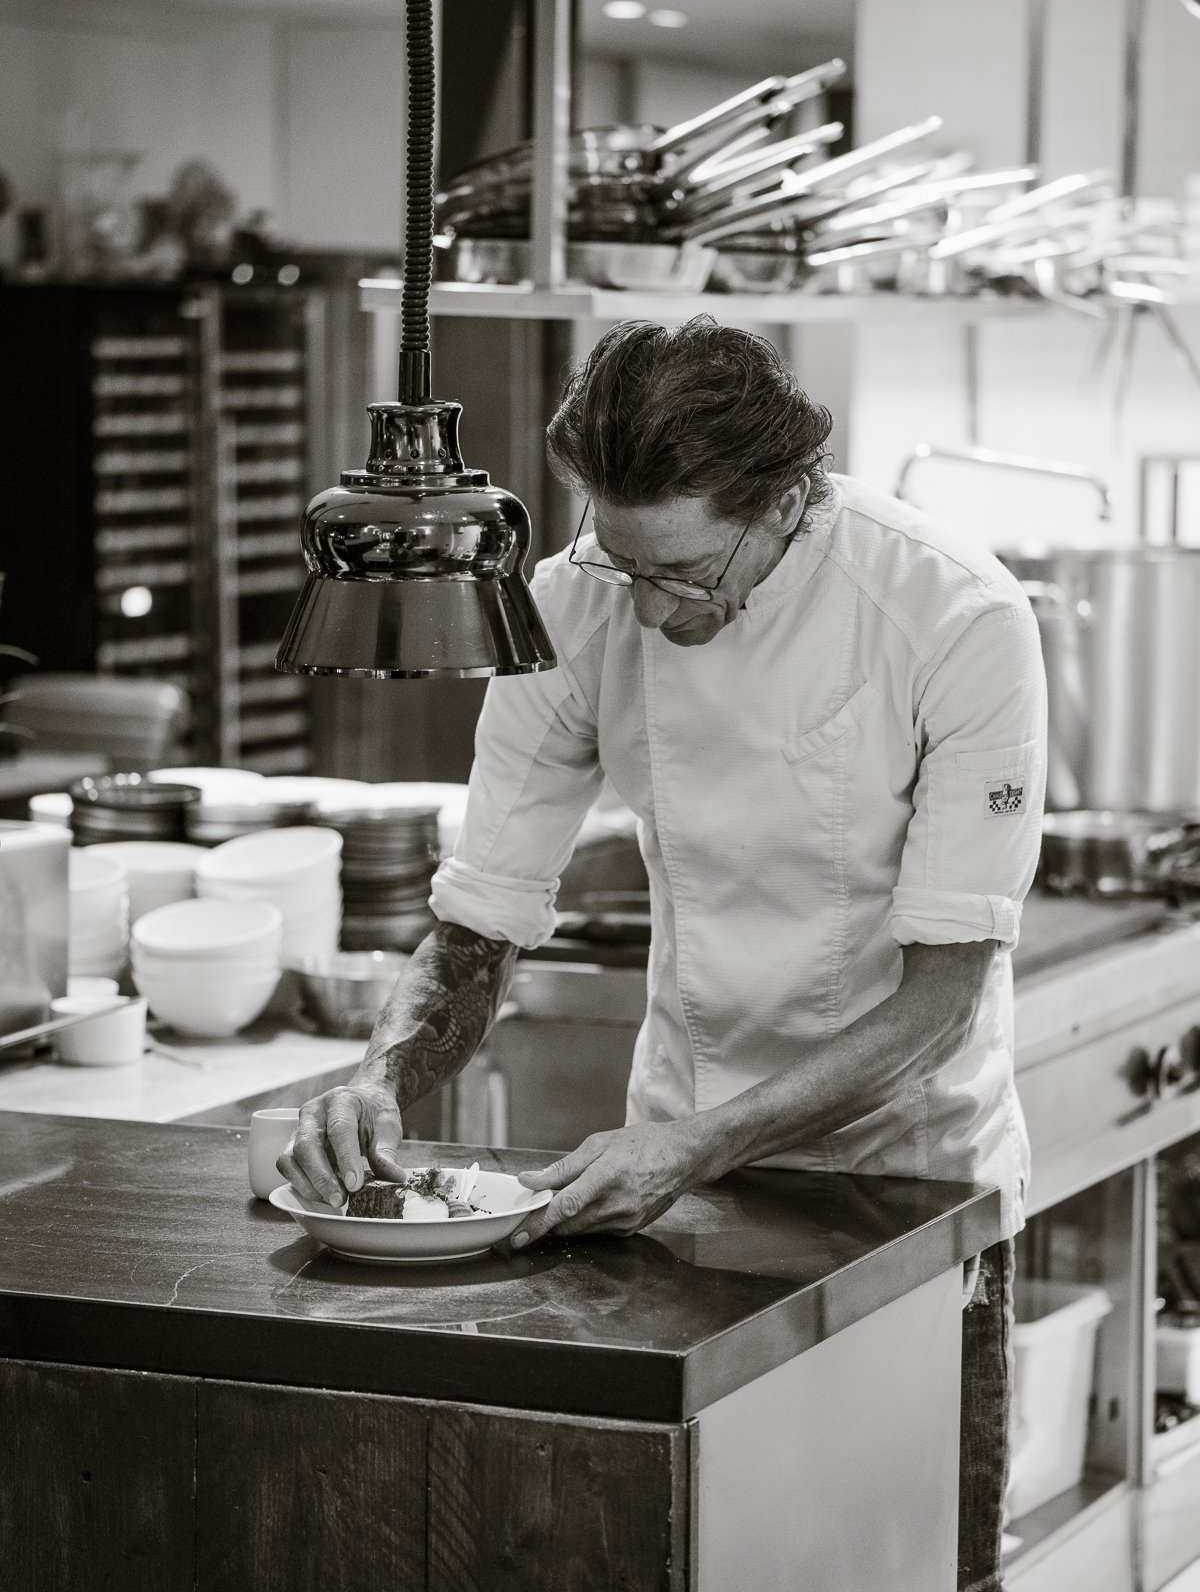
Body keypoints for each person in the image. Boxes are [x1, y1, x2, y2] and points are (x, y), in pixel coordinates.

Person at [279, 316, 1047, 1592]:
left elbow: (942, 1001)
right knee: (698, 1556)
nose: (644, 604)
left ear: (789, 500)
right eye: (619, 557)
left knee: (912, 1563)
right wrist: (381, 1078)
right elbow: (482, 918)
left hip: (904, 1183)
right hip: (678, 1195)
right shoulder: (576, 600)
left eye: (683, 572)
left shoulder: (951, 614)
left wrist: (692, 1145)